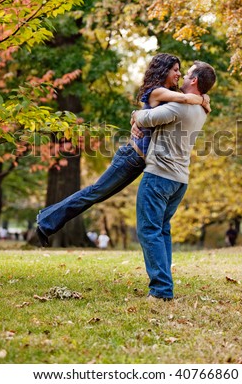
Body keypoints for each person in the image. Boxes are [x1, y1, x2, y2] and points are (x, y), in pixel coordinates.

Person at [36, 54, 211, 247]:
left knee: (98, 194)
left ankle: (46, 217)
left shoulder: (172, 94)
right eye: (175, 70)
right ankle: (46, 223)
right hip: (130, 157)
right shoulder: (158, 92)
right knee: (95, 192)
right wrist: (202, 99)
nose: (179, 74)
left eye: (181, 71)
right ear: (164, 70)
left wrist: (135, 116)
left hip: (140, 162)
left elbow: (179, 102)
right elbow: (186, 98)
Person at [131, 60, 216, 301]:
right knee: (162, 231)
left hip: (159, 176)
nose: (182, 76)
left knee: (149, 231)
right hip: (180, 180)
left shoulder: (178, 108)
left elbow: (144, 119)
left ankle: (160, 290)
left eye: (187, 73)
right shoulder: (201, 108)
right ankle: (164, 285)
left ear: (194, 80)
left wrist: (135, 114)